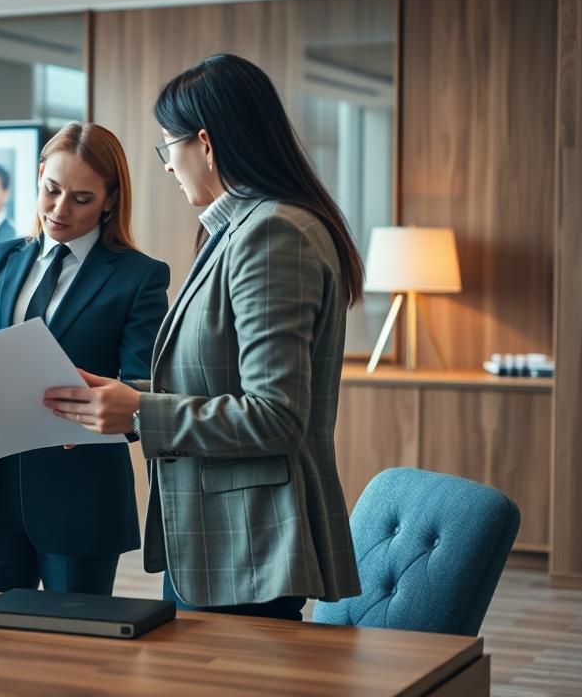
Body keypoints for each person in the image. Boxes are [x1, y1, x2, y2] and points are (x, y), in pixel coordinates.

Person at [46, 53, 363, 620]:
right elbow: (211, 378)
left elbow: (276, 417)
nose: (167, 167)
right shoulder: (241, 230)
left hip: (248, 547)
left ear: (206, 143)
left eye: (168, 147)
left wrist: (141, 411)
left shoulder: (272, 234)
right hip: (222, 543)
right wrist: (115, 399)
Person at [0, 122, 169, 595]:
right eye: (51, 190)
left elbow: (143, 386)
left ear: (110, 199)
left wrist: (98, 415)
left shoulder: (140, 277)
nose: (59, 209)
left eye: (81, 199)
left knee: (79, 654)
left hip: (81, 497)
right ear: (38, 176)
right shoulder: (0, 259)